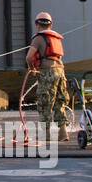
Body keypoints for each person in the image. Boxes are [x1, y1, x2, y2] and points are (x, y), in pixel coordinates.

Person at [26, 11, 70, 141]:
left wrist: (32, 68)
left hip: (47, 72)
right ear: (50, 24)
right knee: (59, 102)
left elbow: (29, 57)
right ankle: (63, 134)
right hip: (60, 71)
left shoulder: (38, 38)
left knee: (45, 102)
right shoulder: (56, 38)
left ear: (37, 24)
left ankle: (46, 136)